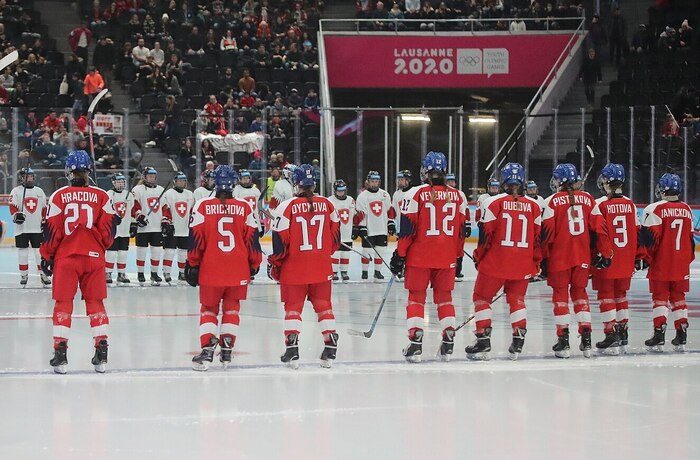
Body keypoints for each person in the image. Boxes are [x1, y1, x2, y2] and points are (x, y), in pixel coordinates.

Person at [40, 150, 116, 374]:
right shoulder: (103, 196)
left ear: (68, 171)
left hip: (67, 258)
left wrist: (47, 256)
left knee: (63, 304)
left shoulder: (58, 196)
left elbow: (51, 232)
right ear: (89, 171)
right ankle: (102, 352)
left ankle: (60, 354)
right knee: (96, 304)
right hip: (94, 259)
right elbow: (109, 235)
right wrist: (98, 244)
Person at [389, 152, 467, 362]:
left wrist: (399, 255)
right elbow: (461, 233)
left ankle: (415, 341)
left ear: (424, 170)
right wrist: (458, 257)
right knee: (444, 298)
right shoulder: (458, 196)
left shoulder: (413, 194)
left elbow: (407, 232)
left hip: (419, 258)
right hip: (446, 258)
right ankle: (449, 336)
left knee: (416, 297)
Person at [186, 165, 262, 371]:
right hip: (238, 269)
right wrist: (255, 264)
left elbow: (196, 240)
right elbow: (252, 241)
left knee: (209, 310)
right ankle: (227, 349)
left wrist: (192, 264)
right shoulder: (245, 207)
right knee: (232, 309)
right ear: (234, 182)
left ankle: (208, 348)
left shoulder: (202, 206)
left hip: (211, 268)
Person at [466, 163, 542, 360]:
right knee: (517, 300)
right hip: (522, 264)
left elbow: (485, 236)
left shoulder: (493, 203)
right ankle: (518, 339)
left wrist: (479, 257)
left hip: (496, 263)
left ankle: (483, 340)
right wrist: (535, 262)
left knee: (482, 297)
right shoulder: (534, 206)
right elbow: (537, 239)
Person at [268, 164, 341, 369]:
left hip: (294, 268)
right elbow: (336, 240)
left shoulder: (286, 207)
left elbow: (280, 243)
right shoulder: (328, 205)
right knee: (324, 306)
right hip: (322, 266)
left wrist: (275, 263)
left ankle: (292, 349)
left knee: (293, 309)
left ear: (296, 184)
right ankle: (331, 345)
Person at [541, 163, 613, 358]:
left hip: (559, 258)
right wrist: (606, 254)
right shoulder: (589, 199)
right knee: (580, 294)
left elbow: (546, 235)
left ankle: (563, 341)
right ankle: (586, 336)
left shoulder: (551, 201)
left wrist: (542, 261)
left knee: (561, 297)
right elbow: (601, 229)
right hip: (582, 257)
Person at [640, 173, 695, 352]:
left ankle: (659, 331)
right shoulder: (687, 209)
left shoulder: (654, 209)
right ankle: (681, 332)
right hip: (681, 263)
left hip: (662, 263)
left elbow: (651, 241)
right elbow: (690, 240)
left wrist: (646, 259)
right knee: (679, 298)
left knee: (660, 299)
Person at [589, 164, 640, 355]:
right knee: (621, 296)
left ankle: (611, 333)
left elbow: (599, 233)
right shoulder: (630, 204)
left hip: (608, 258)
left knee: (606, 296)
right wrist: (637, 258)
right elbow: (637, 232)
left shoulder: (600, 204)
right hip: (626, 259)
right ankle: (623, 333)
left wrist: (602, 254)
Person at [9, 167, 50, 287]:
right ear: (22, 178)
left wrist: (44, 222)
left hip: (37, 228)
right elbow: (12, 206)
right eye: (27, 176)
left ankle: (43, 274)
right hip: (22, 228)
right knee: (23, 252)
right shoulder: (16, 191)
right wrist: (16, 215)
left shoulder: (39, 191)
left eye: (31, 176)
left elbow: (44, 209)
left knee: (39, 252)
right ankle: (24, 275)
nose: (30, 178)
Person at [131, 167, 170, 286]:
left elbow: (165, 208)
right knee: (141, 251)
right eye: (150, 176)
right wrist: (139, 217)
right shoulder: (137, 189)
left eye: (153, 176)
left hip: (156, 227)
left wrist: (165, 220)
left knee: (156, 251)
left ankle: (154, 273)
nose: (152, 178)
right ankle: (140, 273)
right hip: (144, 227)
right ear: (144, 177)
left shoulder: (161, 190)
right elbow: (134, 205)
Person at [354, 171, 394, 280]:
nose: (374, 184)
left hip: (382, 229)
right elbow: (360, 214)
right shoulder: (362, 196)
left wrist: (390, 223)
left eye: (376, 181)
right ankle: (365, 271)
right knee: (366, 251)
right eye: (372, 181)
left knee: (380, 251)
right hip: (369, 229)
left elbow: (389, 211)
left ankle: (377, 271)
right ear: (368, 182)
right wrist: (361, 227)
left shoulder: (384, 194)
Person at [162, 172, 194, 285]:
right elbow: (165, 209)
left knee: (183, 253)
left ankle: (182, 273)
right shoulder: (169, 194)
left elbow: (192, 211)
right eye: (180, 180)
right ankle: (166, 272)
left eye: (184, 180)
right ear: (175, 181)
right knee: (169, 252)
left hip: (185, 229)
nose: (182, 182)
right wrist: (167, 222)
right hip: (173, 228)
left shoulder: (190, 194)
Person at [105, 173, 134, 286]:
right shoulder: (109, 194)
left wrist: (133, 224)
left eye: (122, 181)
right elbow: (106, 210)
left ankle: (121, 273)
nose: (121, 184)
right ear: (113, 182)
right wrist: (112, 218)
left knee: (123, 253)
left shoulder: (129, 195)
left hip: (125, 229)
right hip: (113, 230)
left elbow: (131, 211)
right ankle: (108, 273)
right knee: (111, 253)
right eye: (118, 181)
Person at [327, 179, 356, 282]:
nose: (341, 192)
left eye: (343, 190)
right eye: (339, 190)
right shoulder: (329, 200)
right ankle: (334, 272)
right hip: (335, 234)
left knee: (345, 253)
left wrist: (356, 228)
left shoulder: (350, 200)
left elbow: (353, 216)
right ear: (335, 190)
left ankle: (344, 272)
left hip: (347, 232)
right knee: (335, 253)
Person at [445, 172, 471, 281]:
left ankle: (457, 270)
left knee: (459, 249)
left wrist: (467, 225)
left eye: (452, 181)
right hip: (445, 227)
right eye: (449, 181)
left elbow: (465, 210)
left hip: (458, 226)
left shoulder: (460, 194)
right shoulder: (441, 192)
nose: (451, 183)